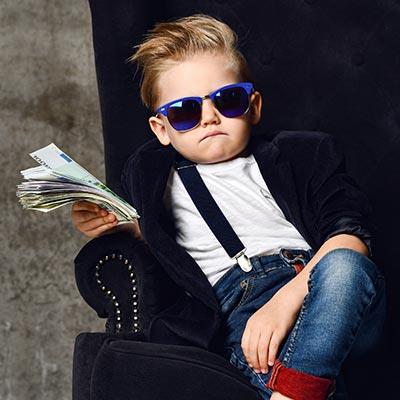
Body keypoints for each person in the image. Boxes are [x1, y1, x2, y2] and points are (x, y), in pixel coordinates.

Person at [71, 14, 386, 400]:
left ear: (253, 107)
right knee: (283, 366)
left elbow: (352, 237)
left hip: (320, 288)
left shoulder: (303, 154)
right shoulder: (152, 179)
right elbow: (159, 239)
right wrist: (110, 222)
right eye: (185, 112)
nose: (209, 118)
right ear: (161, 129)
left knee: (346, 266)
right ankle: (297, 387)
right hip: (240, 315)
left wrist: (286, 301)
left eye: (228, 100)